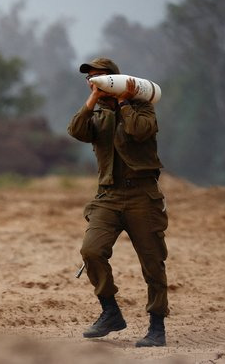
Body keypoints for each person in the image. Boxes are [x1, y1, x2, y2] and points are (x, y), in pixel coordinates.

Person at [67, 58, 169, 347]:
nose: (93, 81)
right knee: (91, 251)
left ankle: (157, 326)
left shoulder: (142, 107)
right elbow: (76, 130)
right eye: (89, 78)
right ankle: (110, 312)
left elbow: (139, 131)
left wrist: (124, 102)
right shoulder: (97, 115)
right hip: (107, 196)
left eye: (99, 77)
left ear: (116, 78)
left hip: (142, 197)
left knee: (152, 263)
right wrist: (94, 100)